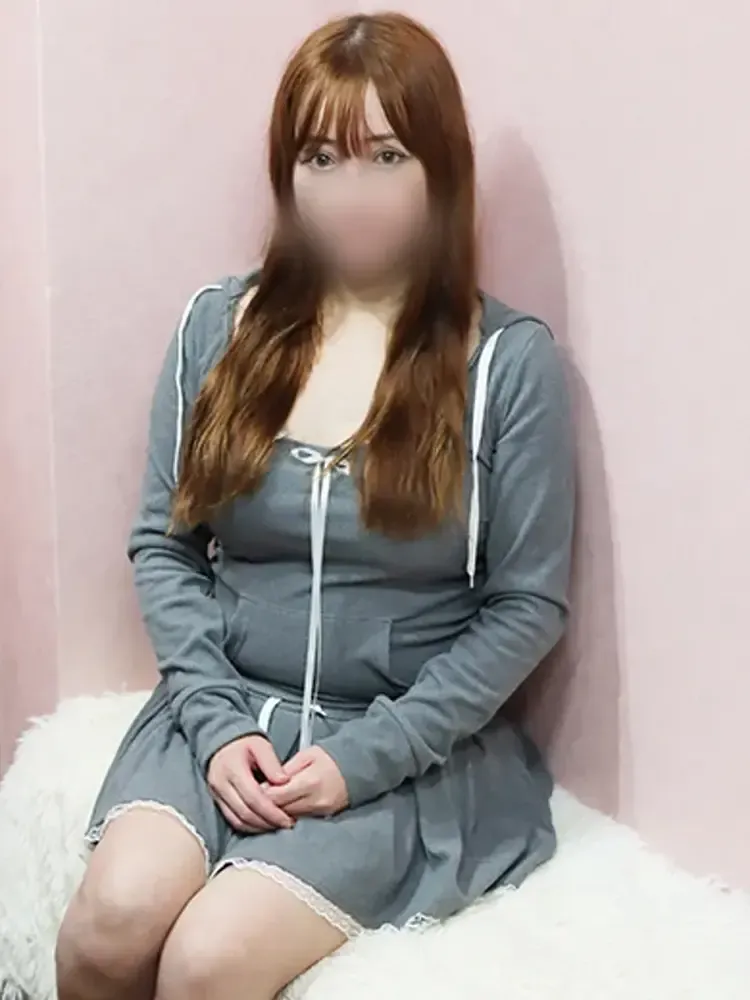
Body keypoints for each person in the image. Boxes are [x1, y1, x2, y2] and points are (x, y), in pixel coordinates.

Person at [55, 11, 574, 1000]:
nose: (350, 190)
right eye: (321, 157)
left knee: (206, 964)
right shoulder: (219, 327)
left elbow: (527, 605)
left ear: (442, 169)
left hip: (403, 747)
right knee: (106, 929)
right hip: (220, 712)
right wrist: (213, 721)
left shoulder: (507, 364)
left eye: (387, 155)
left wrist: (364, 758)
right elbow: (165, 545)